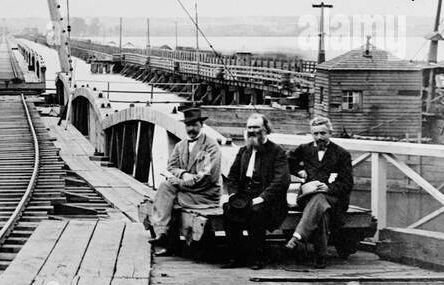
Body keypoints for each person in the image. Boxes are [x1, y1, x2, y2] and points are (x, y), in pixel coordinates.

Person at [148, 104, 222, 256]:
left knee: (168, 199)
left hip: (205, 194)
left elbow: (206, 177)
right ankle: (162, 236)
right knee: (165, 187)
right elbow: (171, 166)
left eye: (195, 125)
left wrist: (181, 182)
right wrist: (183, 174)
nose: (191, 129)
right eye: (188, 125)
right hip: (187, 190)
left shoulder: (211, 146)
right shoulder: (180, 145)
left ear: (202, 125)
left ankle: (164, 238)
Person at [222, 113, 289, 269]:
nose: (252, 131)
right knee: (228, 209)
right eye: (249, 127)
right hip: (244, 195)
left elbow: (281, 180)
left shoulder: (277, 151)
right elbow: (232, 176)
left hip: (269, 199)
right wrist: (233, 195)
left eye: (256, 127)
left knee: (256, 212)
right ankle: (236, 256)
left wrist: (262, 198)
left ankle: (257, 257)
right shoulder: (244, 150)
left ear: (265, 129)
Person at [285, 115, 355, 266]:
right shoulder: (305, 149)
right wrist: (299, 172)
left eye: (323, 133)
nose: (319, 137)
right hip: (307, 196)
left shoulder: (342, 154)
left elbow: (347, 183)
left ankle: (299, 238)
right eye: (315, 134)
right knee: (318, 203)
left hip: (333, 199)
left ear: (330, 133)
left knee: (321, 203)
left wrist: (329, 188)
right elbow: (287, 161)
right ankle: (318, 255)